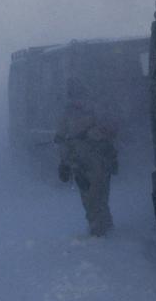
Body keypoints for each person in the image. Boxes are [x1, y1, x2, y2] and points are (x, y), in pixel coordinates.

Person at [55, 78, 119, 237]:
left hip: (101, 162)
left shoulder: (97, 111)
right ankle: (97, 229)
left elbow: (110, 133)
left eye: (79, 95)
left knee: (102, 197)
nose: (77, 100)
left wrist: (95, 135)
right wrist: (65, 164)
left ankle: (106, 228)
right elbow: (62, 141)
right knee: (90, 200)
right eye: (74, 96)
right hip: (81, 166)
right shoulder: (67, 116)